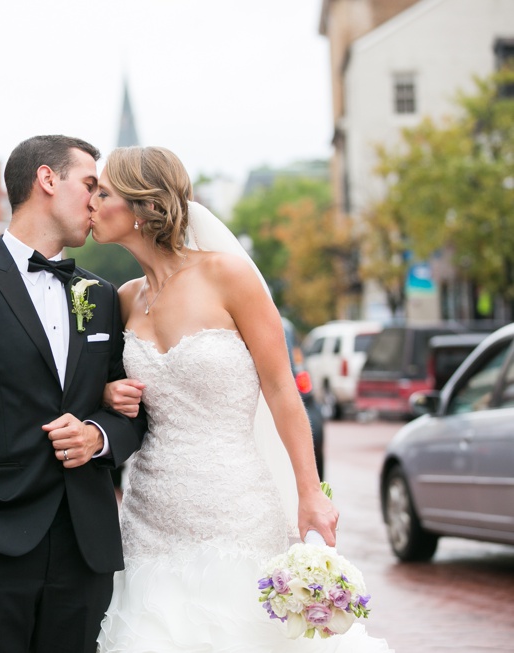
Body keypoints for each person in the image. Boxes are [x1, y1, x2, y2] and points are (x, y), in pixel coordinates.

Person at [90, 146, 392, 651]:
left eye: (102, 192)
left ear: (143, 206)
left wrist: (310, 491)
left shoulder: (228, 277)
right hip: (149, 517)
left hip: (236, 508)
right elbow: (103, 390)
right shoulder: (124, 299)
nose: (91, 203)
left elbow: (280, 389)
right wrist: (105, 390)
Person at [0, 135, 148, 653]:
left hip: (85, 548)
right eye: (89, 185)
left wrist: (98, 436)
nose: (96, 201)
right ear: (46, 180)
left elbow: (132, 413)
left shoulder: (100, 296)